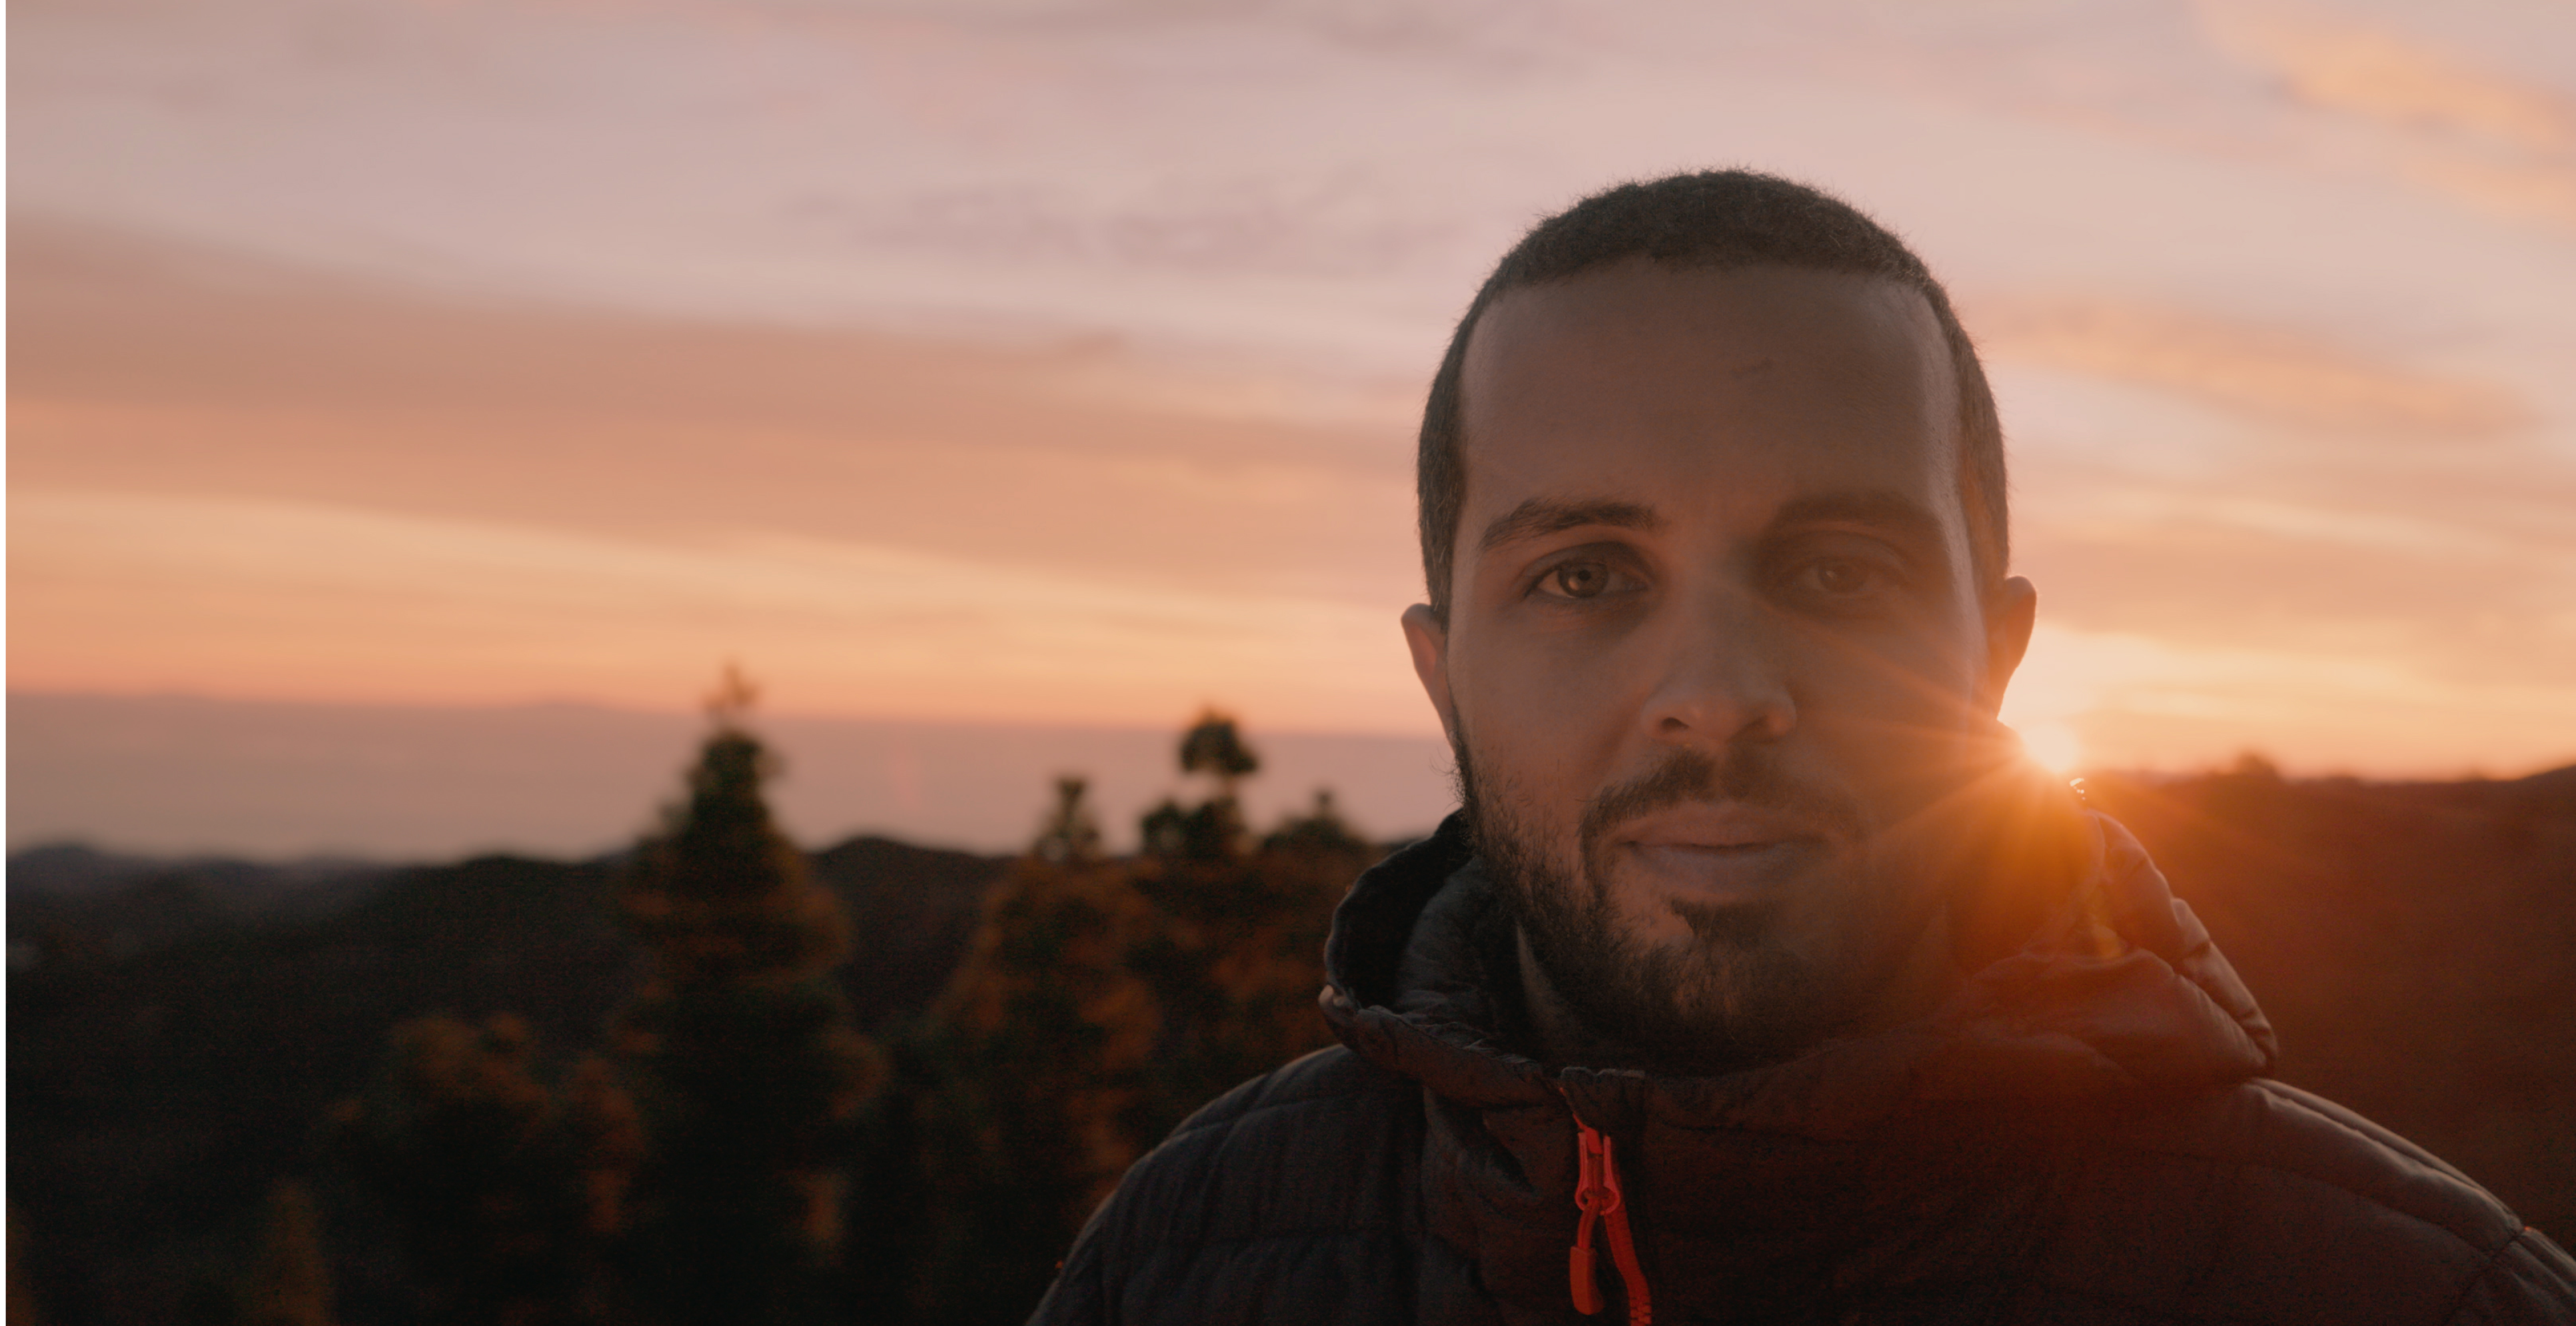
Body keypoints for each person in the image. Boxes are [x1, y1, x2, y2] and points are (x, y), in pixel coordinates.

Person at [1027, 171, 2576, 1325]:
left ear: (1995, 658)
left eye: (1837, 569)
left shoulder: (2416, 1294)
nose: (1718, 693)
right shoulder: (1184, 1258)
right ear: (1444, 676)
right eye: (1583, 574)